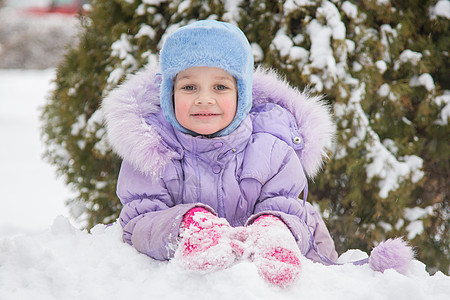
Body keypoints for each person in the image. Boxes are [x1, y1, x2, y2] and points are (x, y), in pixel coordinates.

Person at [102, 20, 413, 287]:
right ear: (168, 94)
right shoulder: (151, 150)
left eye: (221, 87)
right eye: (189, 88)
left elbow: (294, 212)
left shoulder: (272, 148)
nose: (204, 99)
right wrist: (187, 224)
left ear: (243, 94)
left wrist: (274, 227)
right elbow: (137, 222)